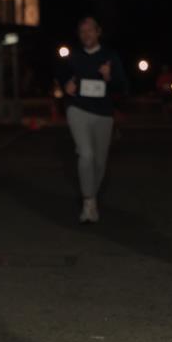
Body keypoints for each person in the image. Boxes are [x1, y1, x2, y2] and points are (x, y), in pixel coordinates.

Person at [56, 16, 128, 223]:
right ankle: (88, 201)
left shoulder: (109, 56)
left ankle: (91, 197)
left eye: (90, 30)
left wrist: (109, 76)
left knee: (99, 161)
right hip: (78, 109)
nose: (86, 34)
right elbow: (61, 78)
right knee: (85, 154)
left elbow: (122, 87)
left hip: (103, 114)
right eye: (82, 31)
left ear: (98, 32)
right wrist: (66, 85)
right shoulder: (74, 56)